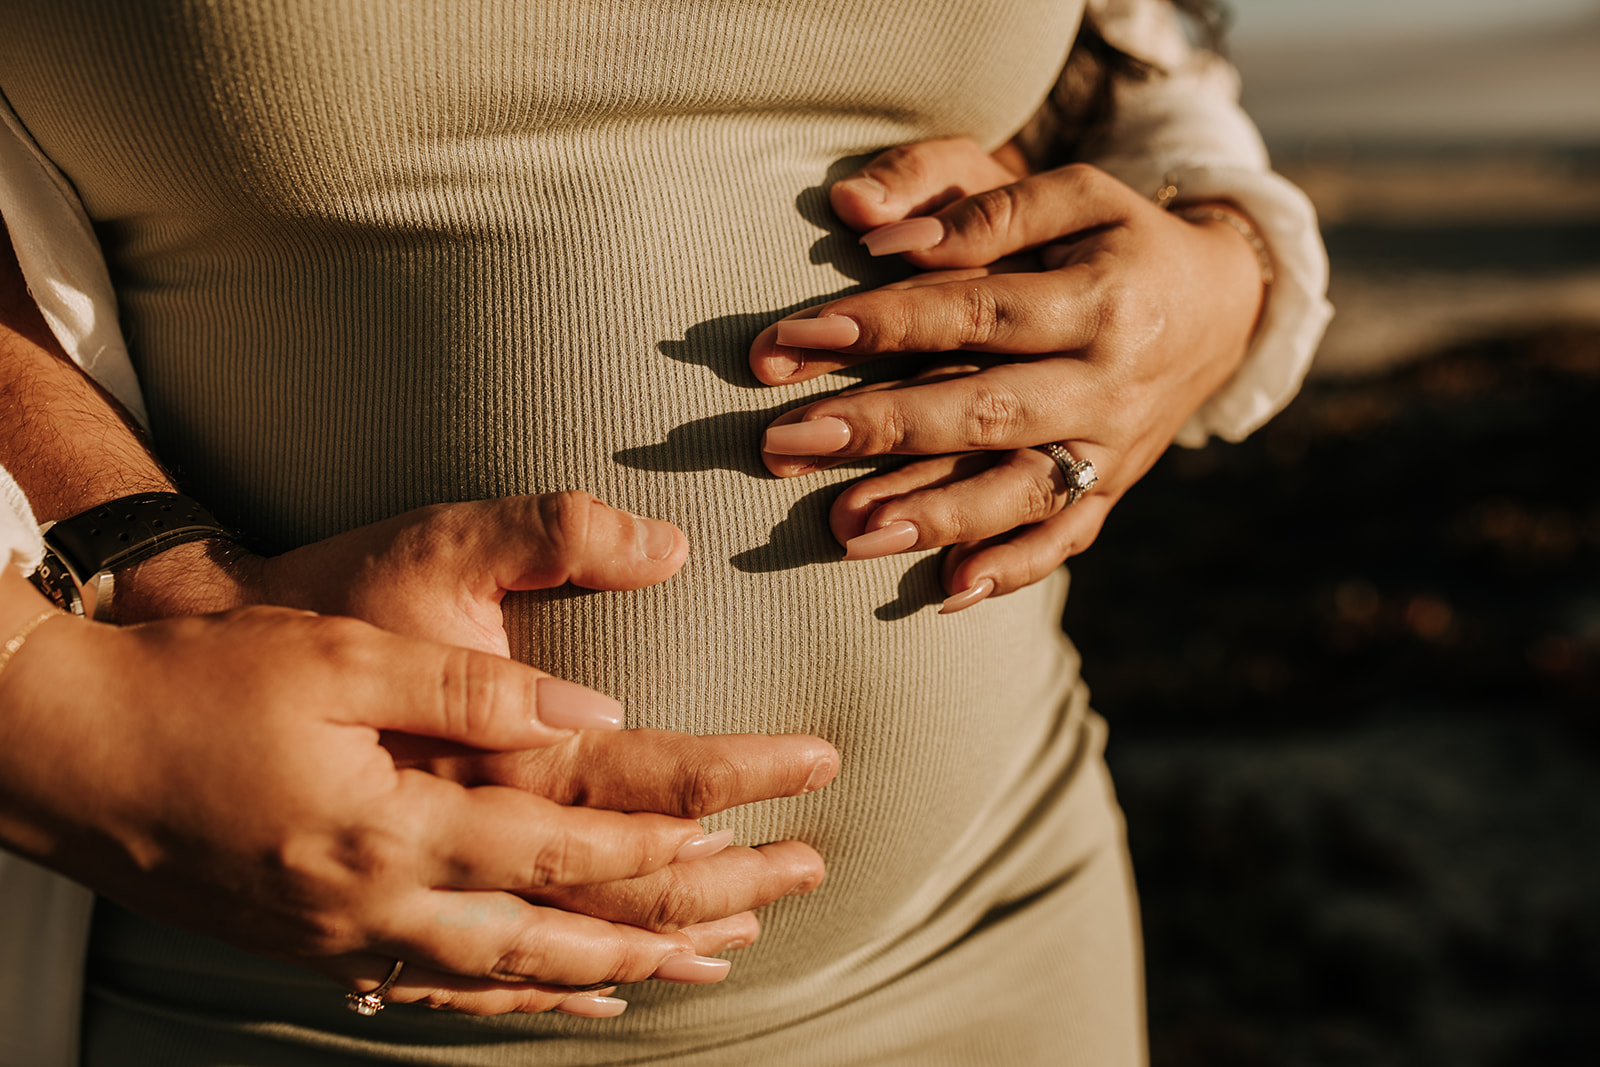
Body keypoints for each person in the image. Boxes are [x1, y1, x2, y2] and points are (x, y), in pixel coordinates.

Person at [0, 0, 1330, 1063]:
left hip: (996, 922)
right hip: (265, 989)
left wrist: (1220, 259)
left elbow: (1140, 55)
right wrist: (83, 657)